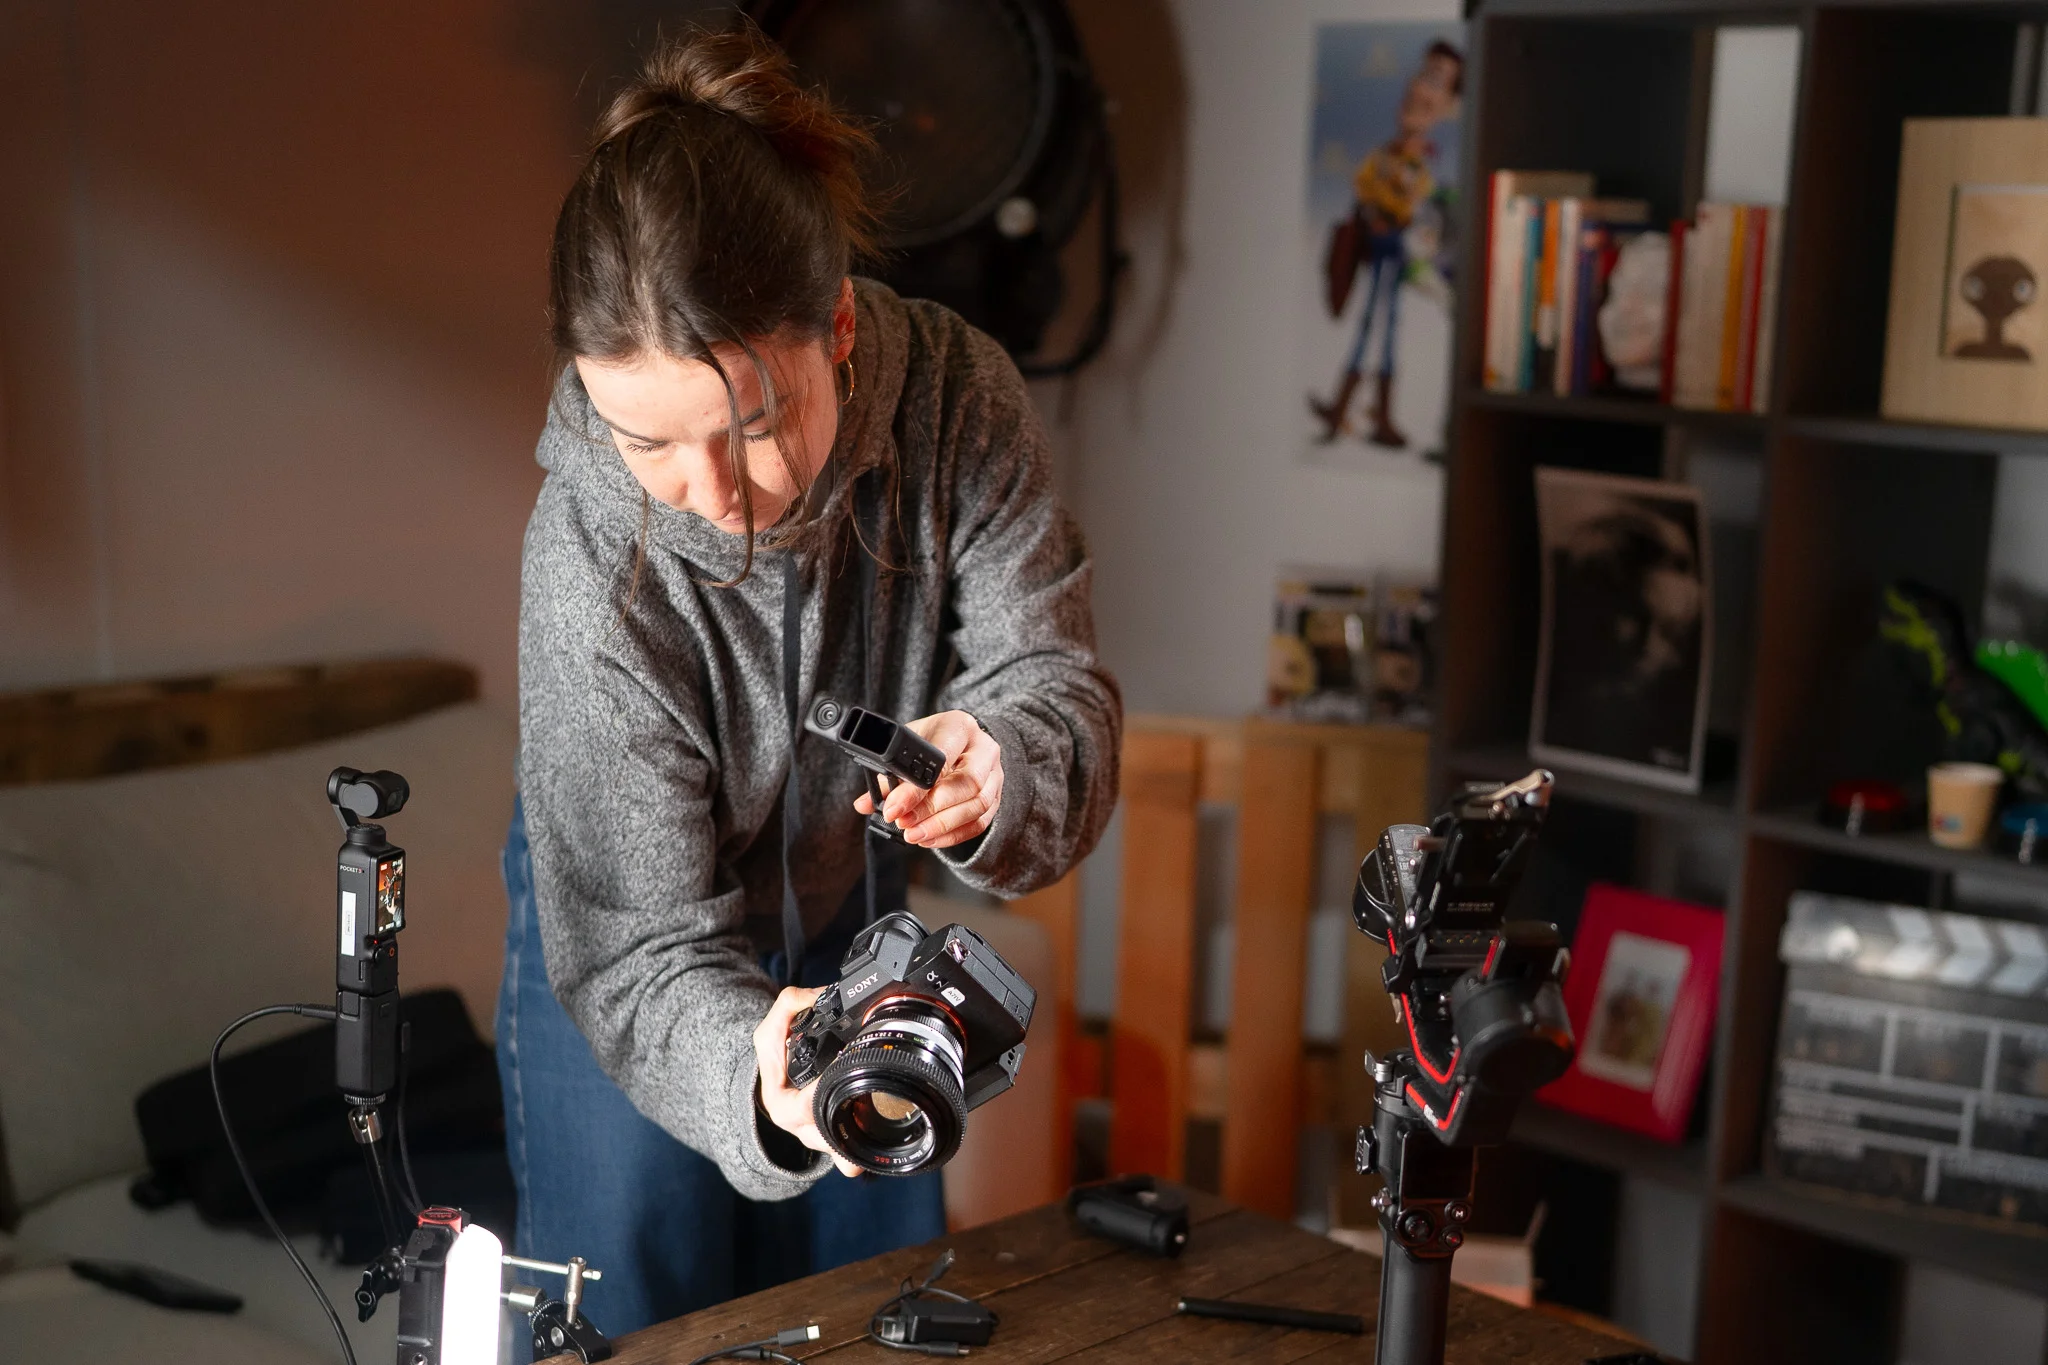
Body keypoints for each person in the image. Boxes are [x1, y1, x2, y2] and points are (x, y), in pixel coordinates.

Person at [495, 25, 1122, 1337]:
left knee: (874, 1315)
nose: (713, 498)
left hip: (853, 911)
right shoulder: (588, 559)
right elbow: (641, 947)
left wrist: (1007, 761)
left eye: (753, 427)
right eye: (647, 442)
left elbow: (1051, 674)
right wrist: (757, 1071)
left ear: (837, 325)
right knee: (637, 1328)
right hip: (633, 931)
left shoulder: (962, 401)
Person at [1309, 39, 1463, 448]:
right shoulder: (1386, 155)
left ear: (1450, 106)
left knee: (1384, 327)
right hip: (1380, 245)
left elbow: (1415, 204)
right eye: (1422, 73)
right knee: (1370, 325)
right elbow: (1365, 185)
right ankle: (1346, 410)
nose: (1419, 90)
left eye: (1436, 82)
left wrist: (1396, 204)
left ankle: (1376, 416)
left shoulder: (1422, 166)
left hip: (1397, 249)